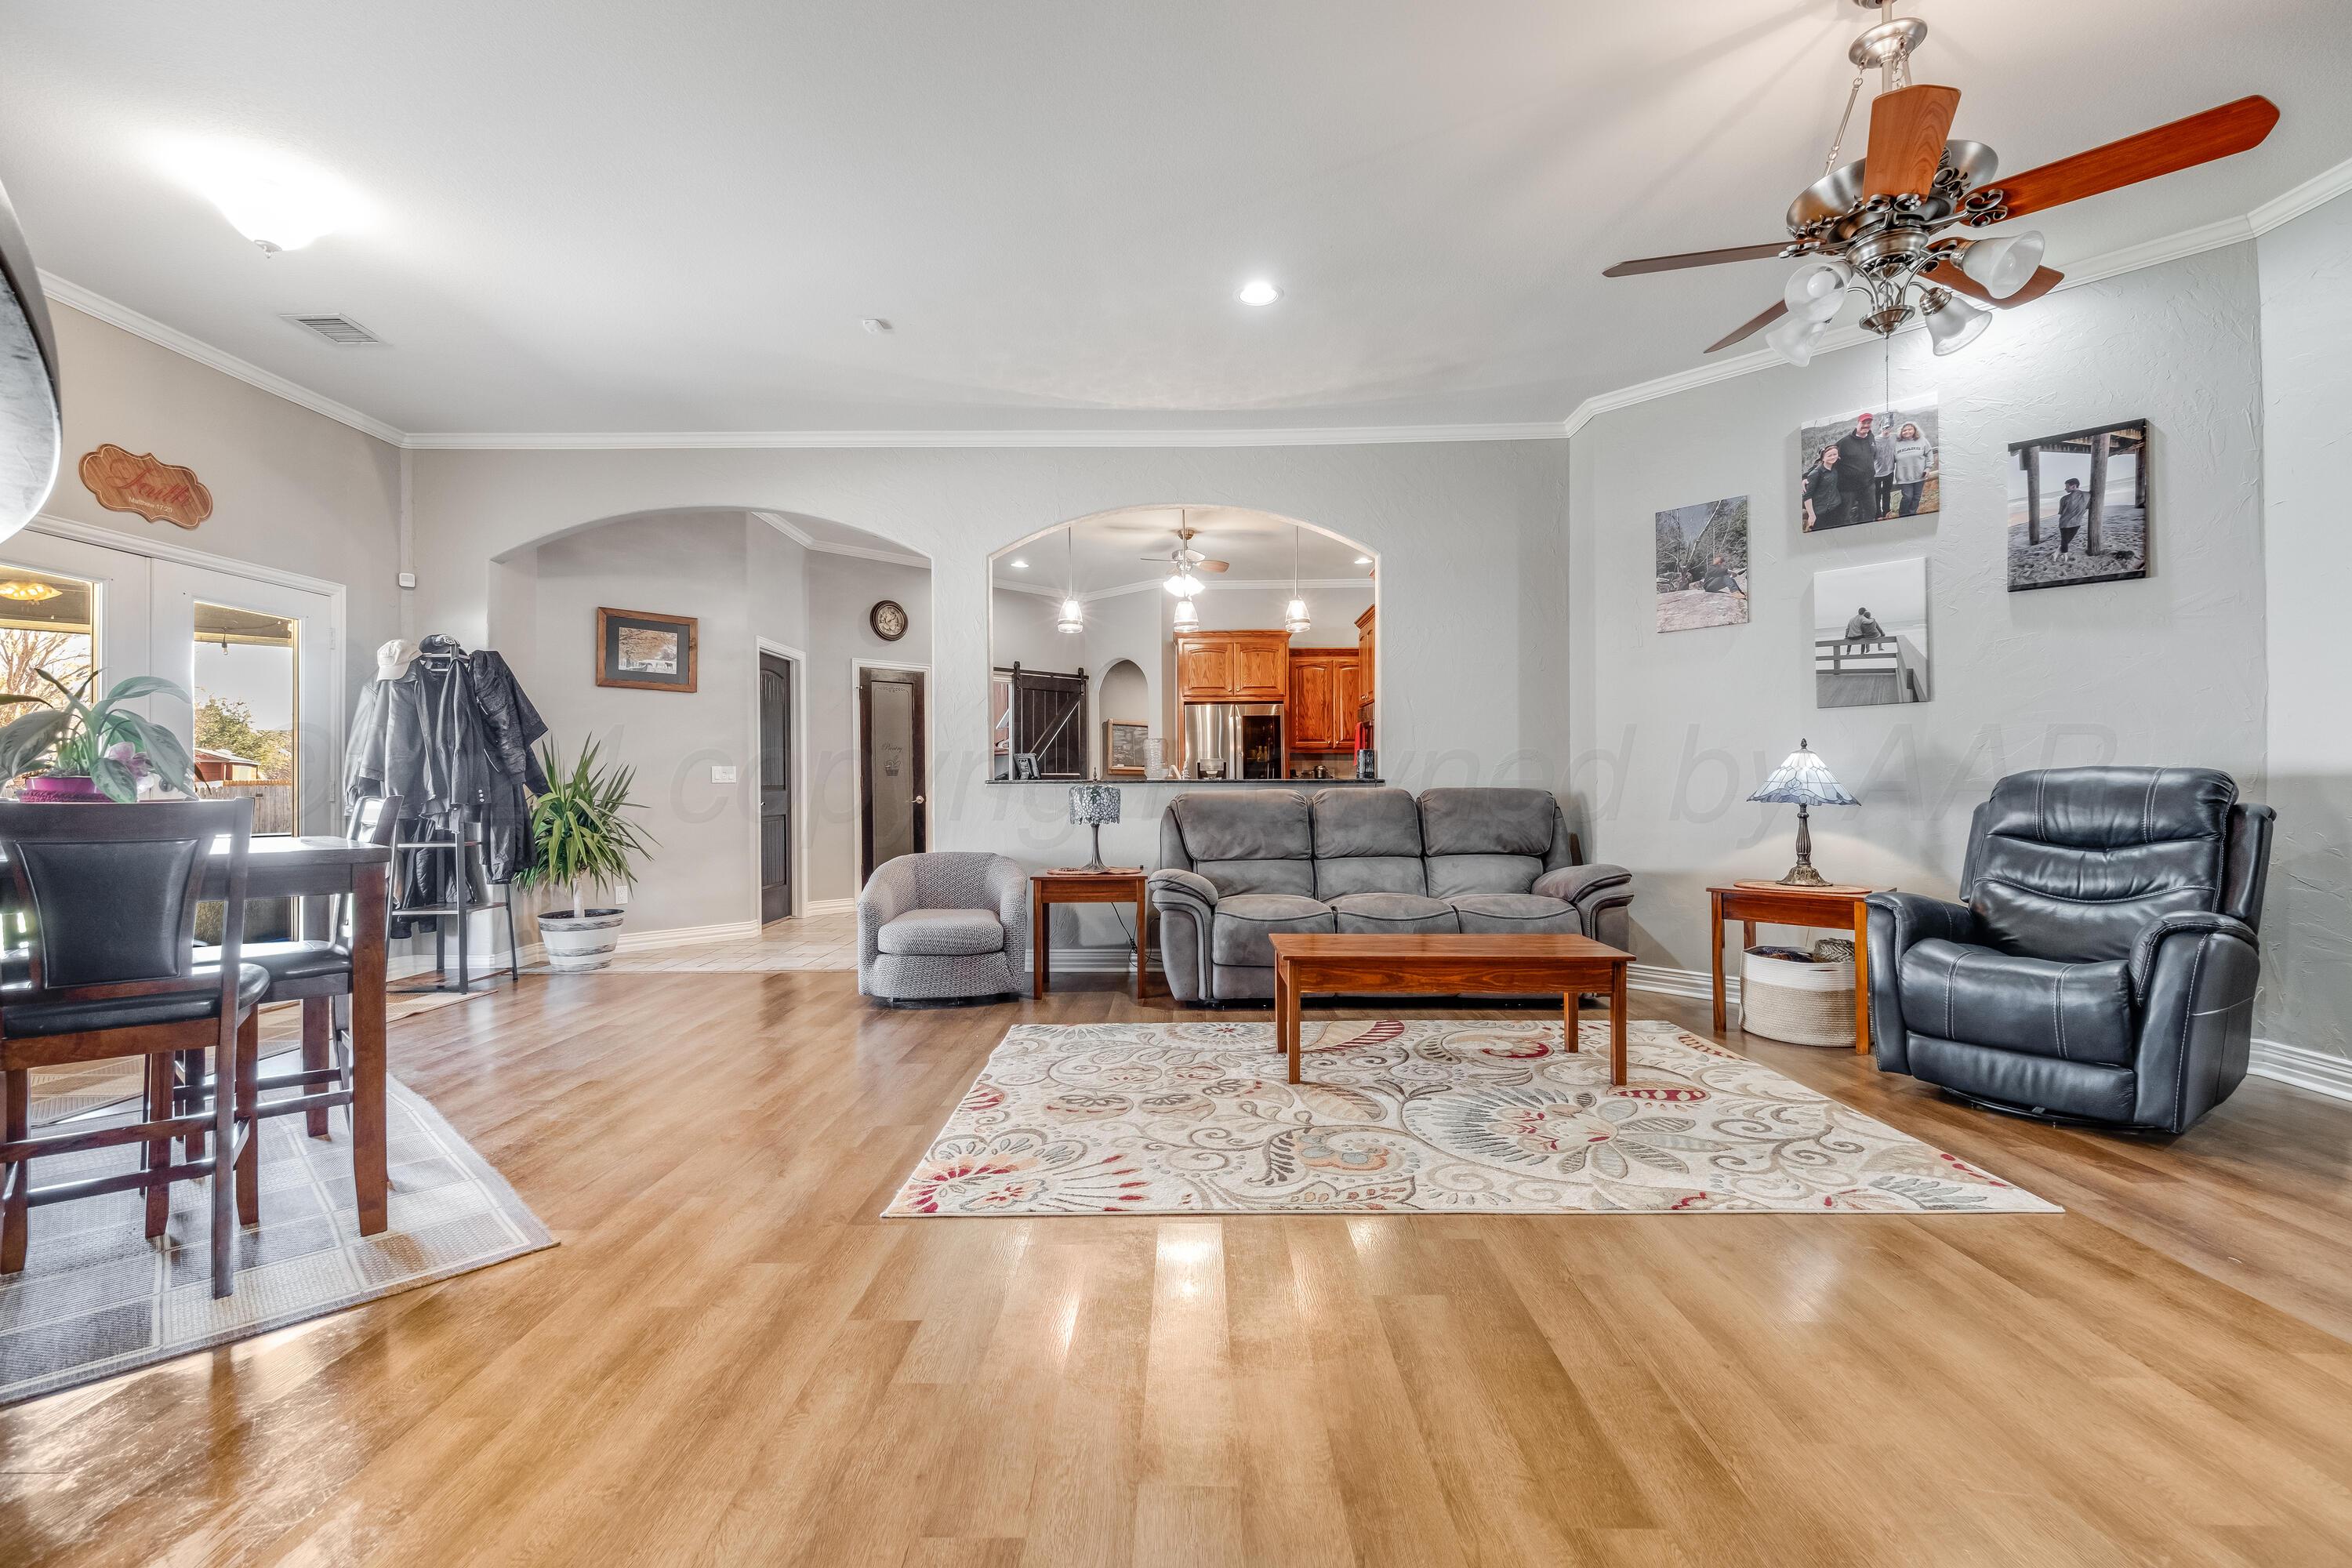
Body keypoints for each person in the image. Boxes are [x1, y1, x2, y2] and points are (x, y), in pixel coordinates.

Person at [1836, 412, 1880, 524]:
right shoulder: (1845, 442)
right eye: (1863, 422)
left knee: (1871, 512)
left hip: (1868, 485)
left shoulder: (1871, 437)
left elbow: (1874, 455)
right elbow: (1826, 457)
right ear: (1858, 423)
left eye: (1868, 423)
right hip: (1848, 488)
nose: (1866, 425)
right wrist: (1808, 476)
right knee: (1845, 516)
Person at [1892, 420, 1934, 516]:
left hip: (1920, 475)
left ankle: (1912, 514)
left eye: (1910, 429)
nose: (1907, 432)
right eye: (1904, 430)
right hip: (1904, 476)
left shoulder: (1922, 440)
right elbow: (1891, 458)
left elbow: (1929, 453)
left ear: (1915, 430)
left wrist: (1928, 468)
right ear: (1901, 432)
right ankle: (1903, 515)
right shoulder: (1897, 443)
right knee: (1908, 497)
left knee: (1916, 497)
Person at [1802, 443, 1846, 530]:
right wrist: (1811, 515)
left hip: (1835, 507)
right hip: (1820, 511)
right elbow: (1807, 496)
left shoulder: (1835, 466)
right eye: (1829, 455)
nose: (1833, 457)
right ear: (1823, 458)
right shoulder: (1816, 473)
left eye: (1835, 454)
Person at [2056, 476, 2089, 554]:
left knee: (2064, 542)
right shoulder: (2088, 495)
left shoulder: (2064, 499)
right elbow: (2087, 508)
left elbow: (2061, 512)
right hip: (2077, 523)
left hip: (2064, 524)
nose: (2065, 489)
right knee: (2066, 542)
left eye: (2067, 487)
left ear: (2074, 486)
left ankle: (2059, 555)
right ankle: (2057, 554)